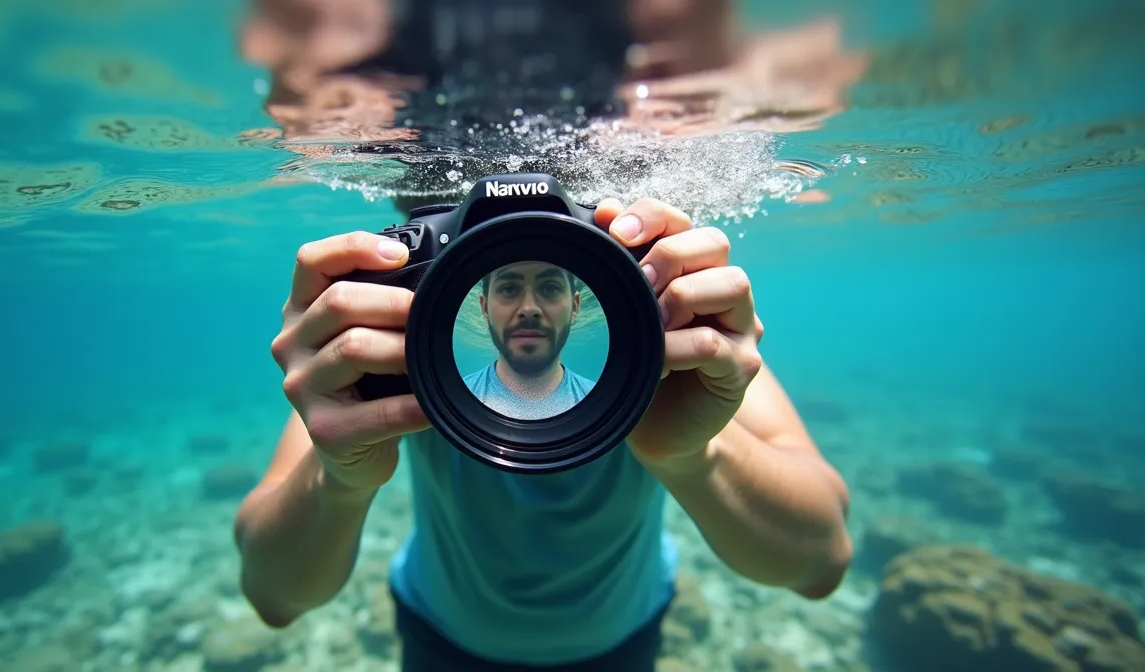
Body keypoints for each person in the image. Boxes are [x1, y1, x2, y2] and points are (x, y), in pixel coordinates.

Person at [236, 3, 855, 671]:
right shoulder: (405, 336)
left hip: (623, 637)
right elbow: (274, 595)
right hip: (441, 635)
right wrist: (339, 479)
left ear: (587, 298)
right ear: (466, 298)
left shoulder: (658, 336)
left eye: (553, 284)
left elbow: (820, 560)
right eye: (504, 284)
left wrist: (693, 454)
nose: (528, 306)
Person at [463, 261, 591, 420]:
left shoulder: (617, 412)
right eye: (509, 288)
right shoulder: (436, 405)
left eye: (550, 288)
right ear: (484, 308)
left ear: (574, 307)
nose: (529, 308)